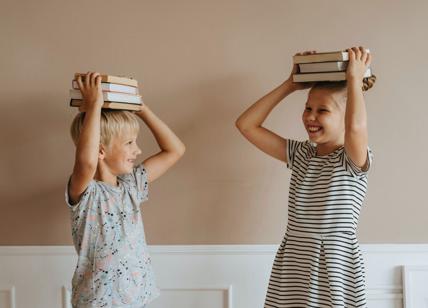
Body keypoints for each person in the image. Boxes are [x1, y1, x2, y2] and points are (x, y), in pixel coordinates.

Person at [236, 47, 376, 307]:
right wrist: (291, 85)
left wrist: (354, 81)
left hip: (334, 266)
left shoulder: (352, 160)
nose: (310, 116)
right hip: (294, 263)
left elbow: (356, 128)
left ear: (346, 116)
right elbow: (246, 125)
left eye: (322, 110)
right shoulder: (301, 154)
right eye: (307, 107)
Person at [66, 72, 185, 308]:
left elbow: (175, 150)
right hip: (98, 301)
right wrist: (94, 108)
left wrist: (141, 109)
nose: (138, 150)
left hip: (136, 297)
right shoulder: (87, 192)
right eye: (129, 143)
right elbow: (87, 163)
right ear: (100, 151)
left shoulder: (132, 186)